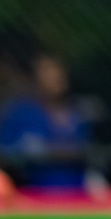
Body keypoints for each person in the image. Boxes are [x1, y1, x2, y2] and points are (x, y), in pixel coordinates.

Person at [0, 53, 91, 189]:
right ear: (35, 78)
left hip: (76, 189)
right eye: (47, 73)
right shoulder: (20, 113)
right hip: (34, 189)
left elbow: (86, 150)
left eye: (57, 72)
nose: (54, 78)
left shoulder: (77, 112)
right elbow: (7, 150)